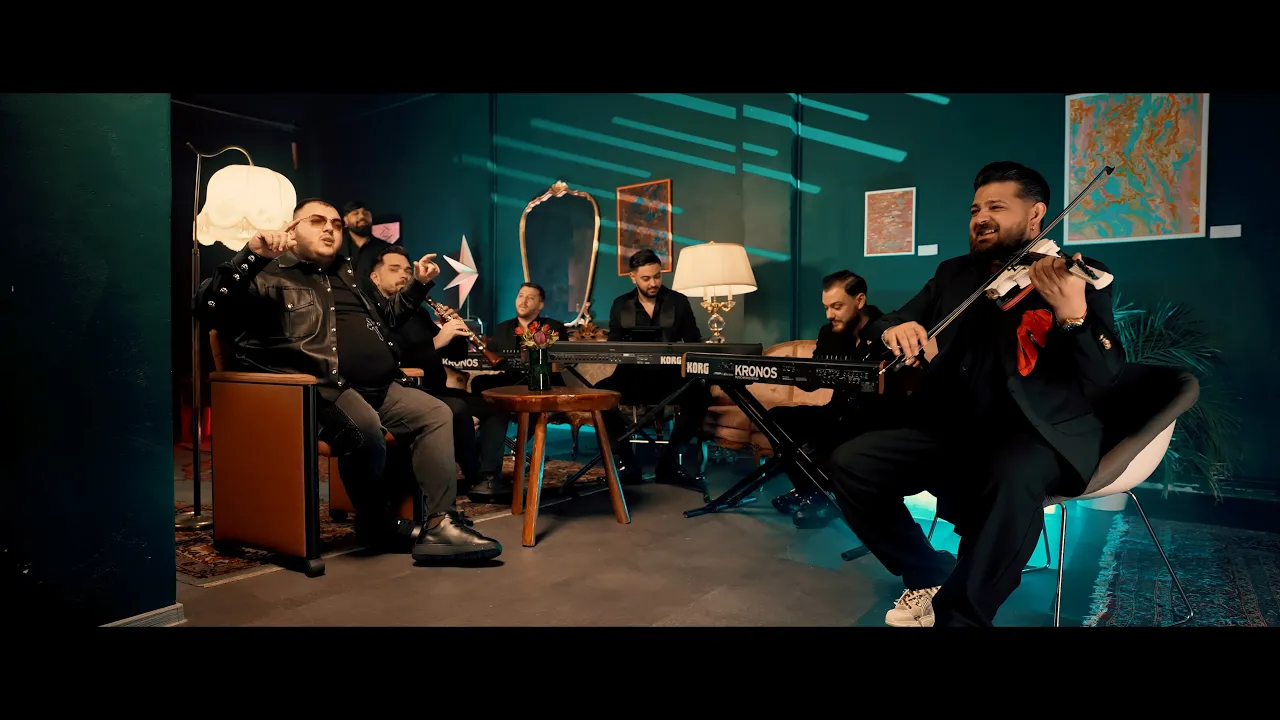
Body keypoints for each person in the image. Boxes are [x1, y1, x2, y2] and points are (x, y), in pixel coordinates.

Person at [826, 161, 1123, 627]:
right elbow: (890, 319)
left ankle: (962, 616)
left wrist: (1073, 314)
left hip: (1037, 432)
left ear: (1035, 214)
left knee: (1011, 474)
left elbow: (1104, 374)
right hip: (958, 424)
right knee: (851, 462)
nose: (981, 218)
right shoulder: (955, 274)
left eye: (996, 208)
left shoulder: (1075, 276)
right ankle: (927, 572)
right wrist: (893, 330)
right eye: (975, 209)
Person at [193, 198, 503, 564]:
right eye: (317, 221)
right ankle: (376, 524)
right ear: (292, 228)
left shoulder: (348, 274)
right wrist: (251, 255)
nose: (329, 228)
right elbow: (207, 308)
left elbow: (388, 318)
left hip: (380, 386)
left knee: (437, 413)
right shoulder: (268, 273)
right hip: (318, 389)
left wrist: (418, 285)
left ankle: (440, 523)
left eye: (336, 224)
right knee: (365, 426)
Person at [367, 245, 512, 501]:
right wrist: (437, 341)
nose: (404, 275)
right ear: (375, 277)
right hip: (404, 394)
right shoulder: (375, 314)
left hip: (435, 390)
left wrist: (452, 329)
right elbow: (394, 358)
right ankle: (474, 475)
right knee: (457, 408)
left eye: (407, 270)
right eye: (394, 269)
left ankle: (488, 477)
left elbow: (457, 356)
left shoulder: (418, 312)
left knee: (495, 405)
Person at [766, 269, 892, 530]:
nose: (829, 315)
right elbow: (813, 383)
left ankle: (818, 495)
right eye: (826, 307)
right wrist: (793, 372)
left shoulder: (887, 331)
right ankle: (812, 492)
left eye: (836, 306)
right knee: (776, 418)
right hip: (837, 414)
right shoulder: (829, 333)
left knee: (833, 437)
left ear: (859, 300)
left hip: (873, 421)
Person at [595, 248, 710, 488]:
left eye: (657, 276)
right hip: (631, 376)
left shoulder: (678, 301)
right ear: (633, 277)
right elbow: (613, 346)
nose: (653, 283)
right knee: (598, 395)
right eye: (646, 278)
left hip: (670, 377)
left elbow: (693, 341)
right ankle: (628, 463)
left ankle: (669, 463)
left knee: (700, 395)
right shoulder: (620, 304)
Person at [470, 282, 570, 396]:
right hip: (510, 380)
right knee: (478, 382)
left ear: (540, 305)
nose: (523, 301)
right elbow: (491, 358)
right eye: (521, 296)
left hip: (544, 380)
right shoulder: (502, 328)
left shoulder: (554, 327)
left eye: (530, 298)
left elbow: (563, 362)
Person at [339, 200, 391, 299]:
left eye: (365, 212)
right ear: (345, 220)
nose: (362, 216)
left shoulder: (386, 248)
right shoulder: (336, 247)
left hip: (375, 303)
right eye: (355, 213)